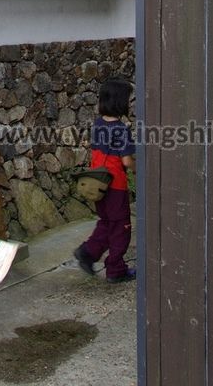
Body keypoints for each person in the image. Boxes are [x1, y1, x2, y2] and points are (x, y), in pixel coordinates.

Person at [73, 76, 136, 283]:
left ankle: (87, 252)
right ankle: (116, 269)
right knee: (121, 228)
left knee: (107, 222)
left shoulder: (98, 125)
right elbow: (126, 161)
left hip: (98, 184)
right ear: (120, 101)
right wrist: (139, 169)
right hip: (116, 186)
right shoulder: (121, 130)